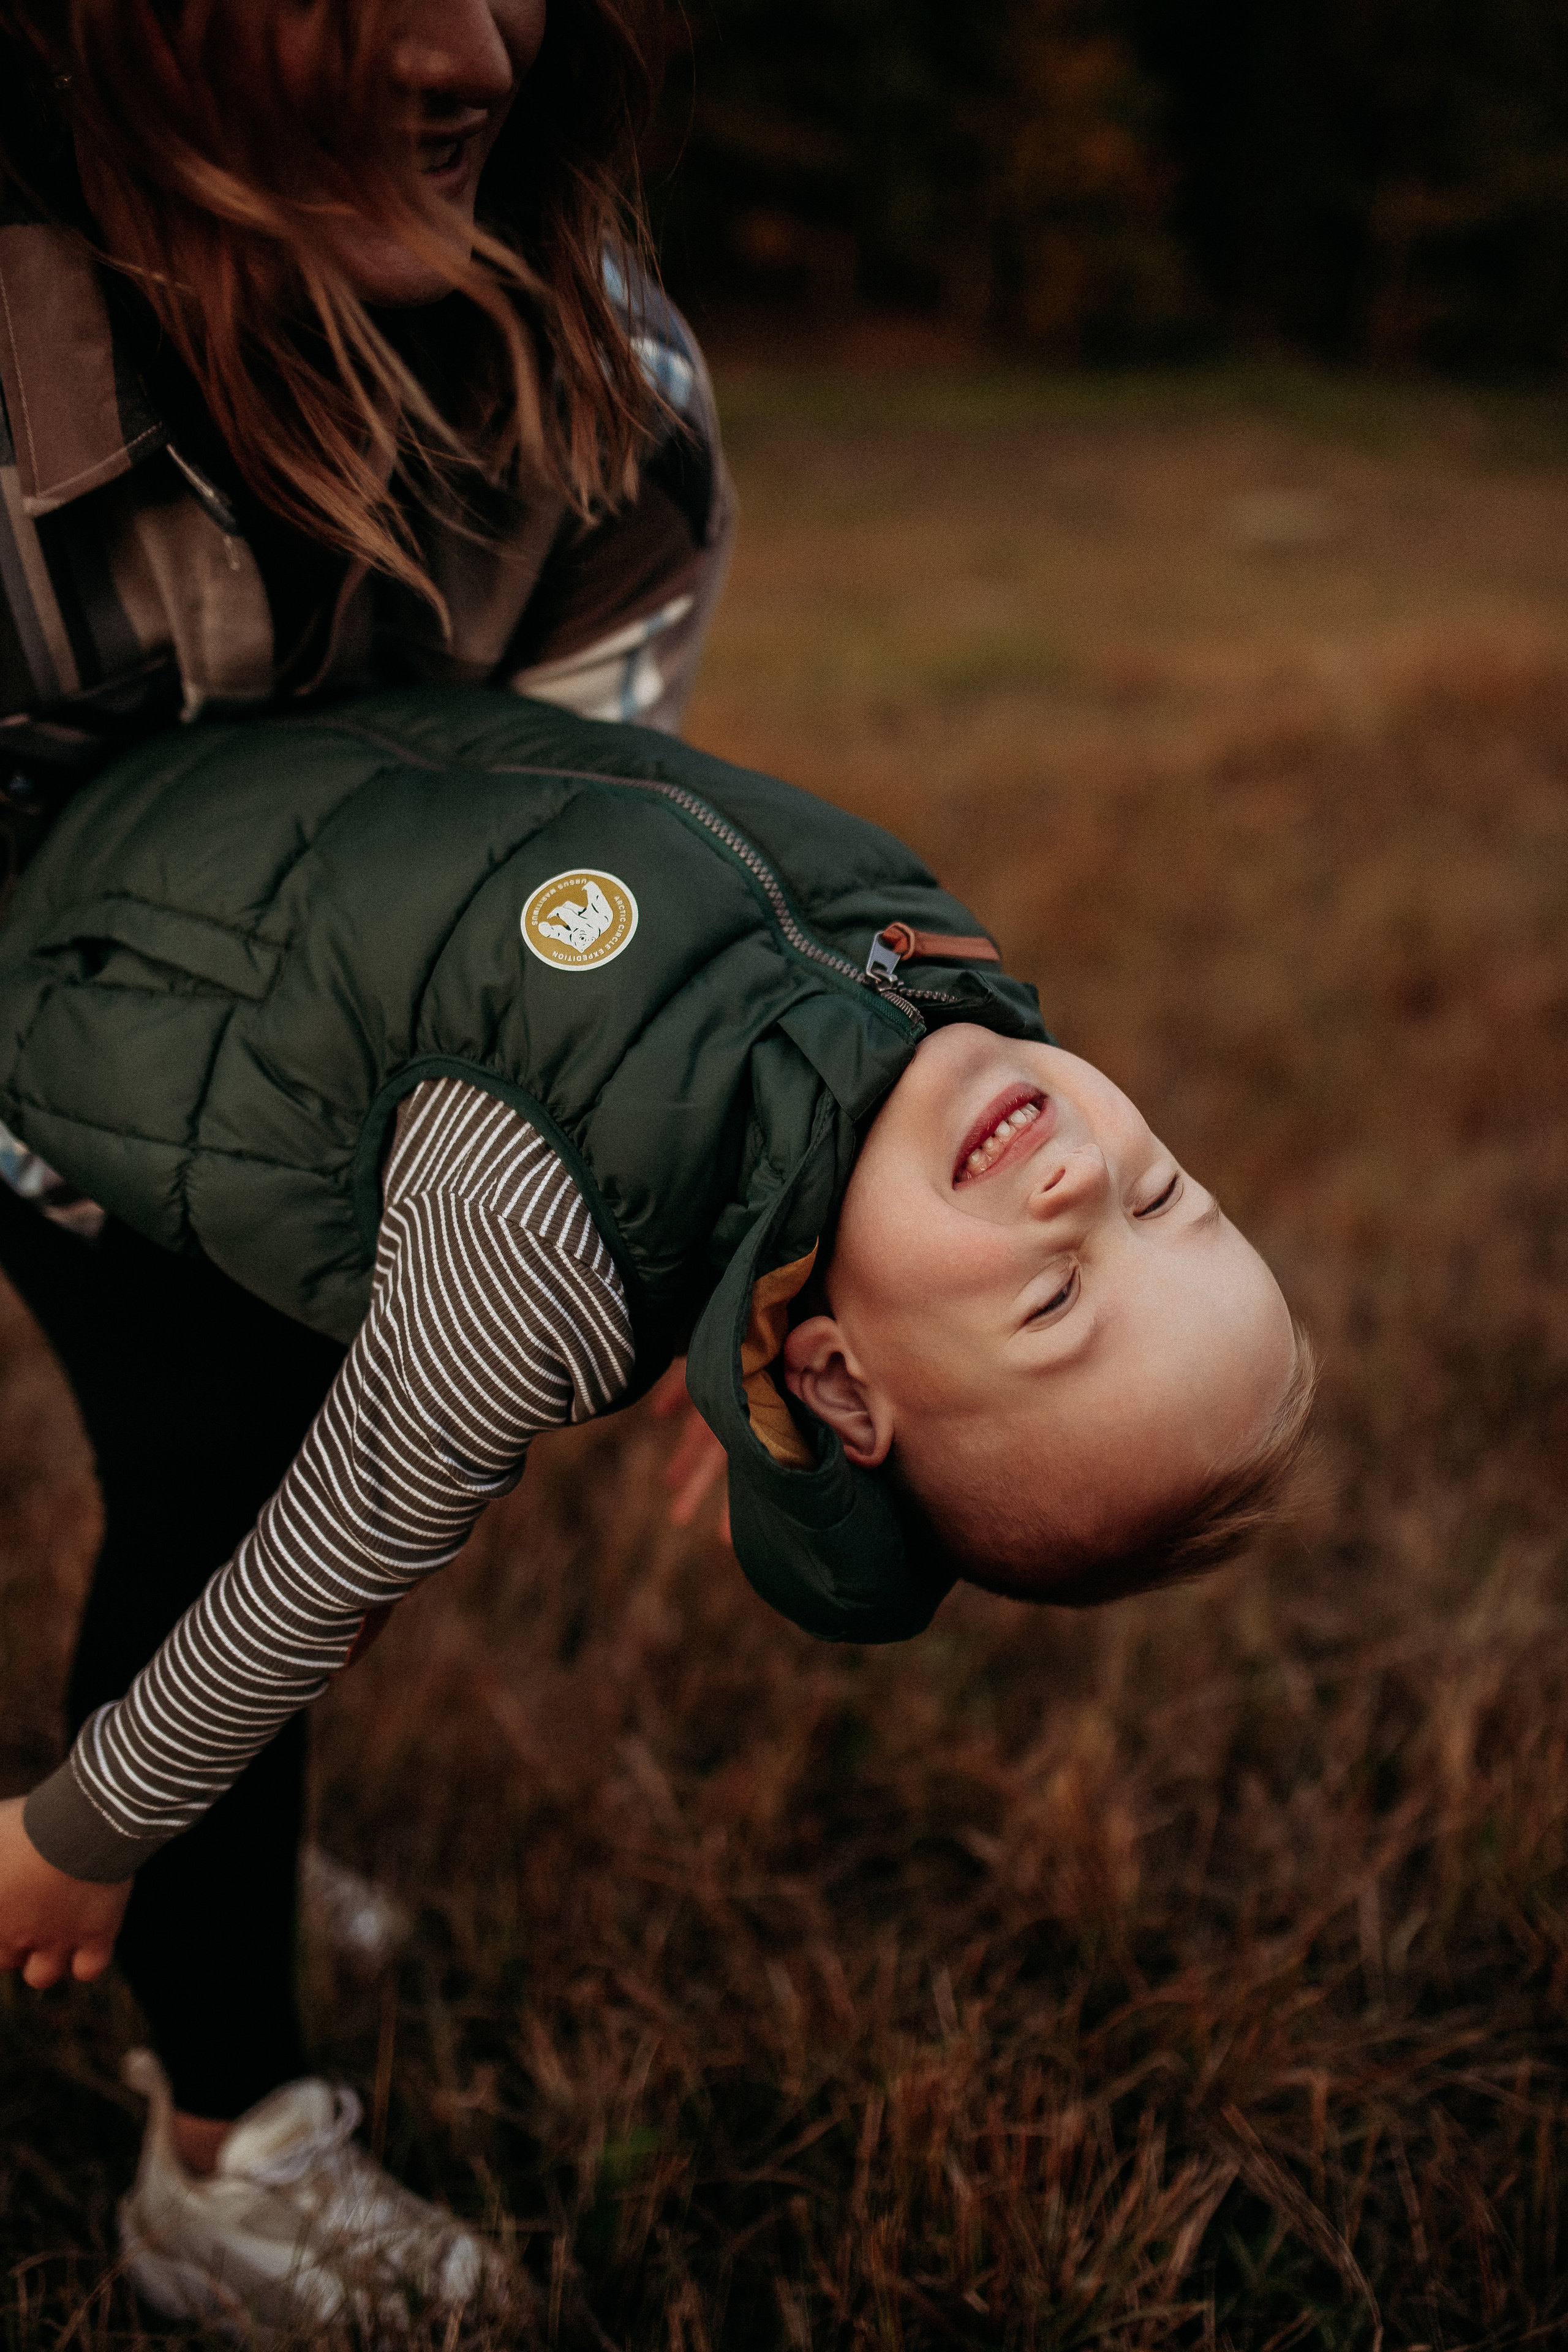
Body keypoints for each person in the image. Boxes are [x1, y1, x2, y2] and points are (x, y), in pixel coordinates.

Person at [0, 678, 1313, 2335]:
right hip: (170, 800)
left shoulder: (544, 1260)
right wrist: (747, 1344)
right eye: (1163, 1195)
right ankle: (232, 1876)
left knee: (216, 1502)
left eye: (1054, 1303)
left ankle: (213, 2128)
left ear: (842, 1388)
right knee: (217, 1459)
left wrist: (83, 1829)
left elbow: (307, 1585)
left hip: (90, 1005)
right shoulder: (917, 1006)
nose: (1081, 1183)